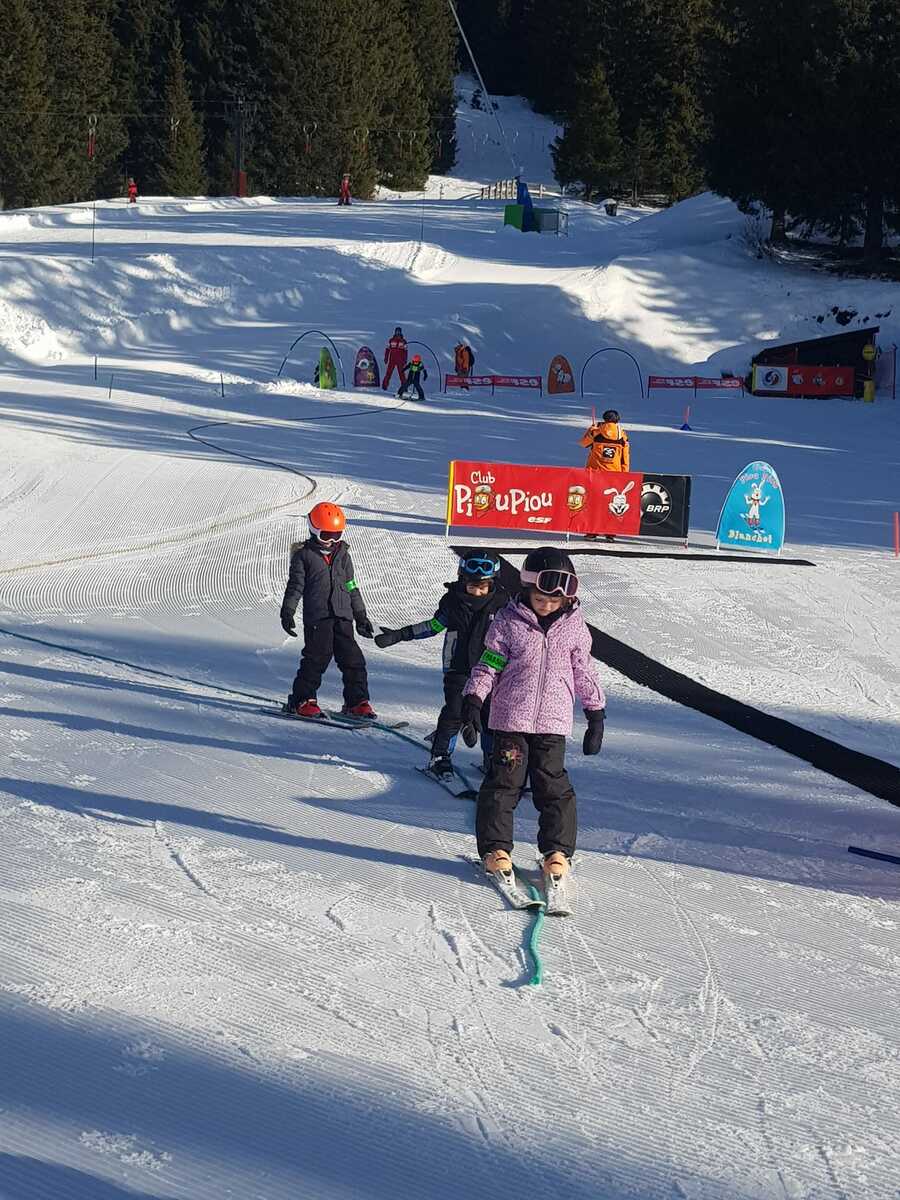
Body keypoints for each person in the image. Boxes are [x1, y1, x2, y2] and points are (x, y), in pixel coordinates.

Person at [460, 547, 606, 884]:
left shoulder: (574, 628)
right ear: (526, 588)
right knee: (503, 785)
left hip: (552, 724)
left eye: (555, 601)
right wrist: (473, 699)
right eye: (540, 598)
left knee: (553, 787)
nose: (547, 605)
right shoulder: (508, 621)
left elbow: (584, 671)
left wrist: (595, 714)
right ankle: (496, 850)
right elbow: (489, 664)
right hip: (511, 719)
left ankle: (557, 852)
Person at [373, 550, 509, 780]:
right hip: (457, 668)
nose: (477, 592)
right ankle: (440, 756)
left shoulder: (502, 606)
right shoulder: (453, 603)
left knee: (490, 715)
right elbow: (433, 626)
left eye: (482, 587)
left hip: (490, 670)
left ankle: (492, 758)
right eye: (472, 586)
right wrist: (400, 635)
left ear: (492, 584)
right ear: (462, 581)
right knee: (454, 712)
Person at [280, 502, 376, 720]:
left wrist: (361, 616)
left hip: (343, 617)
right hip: (318, 618)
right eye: (326, 535)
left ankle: (356, 702)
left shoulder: (343, 555)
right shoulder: (304, 556)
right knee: (316, 658)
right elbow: (295, 586)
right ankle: (302, 700)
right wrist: (288, 611)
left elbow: (351, 586)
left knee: (353, 660)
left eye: (336, 535)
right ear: (313, 530)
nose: (332, 541)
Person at [580, 409, 631, 540]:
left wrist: (590, 430)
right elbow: (625, 457)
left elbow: (583, 443)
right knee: (611, 503)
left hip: (594, 473)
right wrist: (624, 474)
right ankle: (610, 533)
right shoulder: (623, 435)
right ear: (617, 420)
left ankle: (592, 532)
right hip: (614, 474)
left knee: (593, 503)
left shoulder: (596, 431)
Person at [382, 326, 407, 391]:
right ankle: (384, 386)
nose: (398, 333)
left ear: (401, 332)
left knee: (402, 374)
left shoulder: (403, 341)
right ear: (395, 332)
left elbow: (405, 352)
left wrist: (405, 360)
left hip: (400, 360)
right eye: (397, 332)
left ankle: (404, 387)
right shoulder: (391, 340)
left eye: (399, 332)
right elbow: (387, 349)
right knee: (388, 373)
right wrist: (386, 358)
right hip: (392, 359)